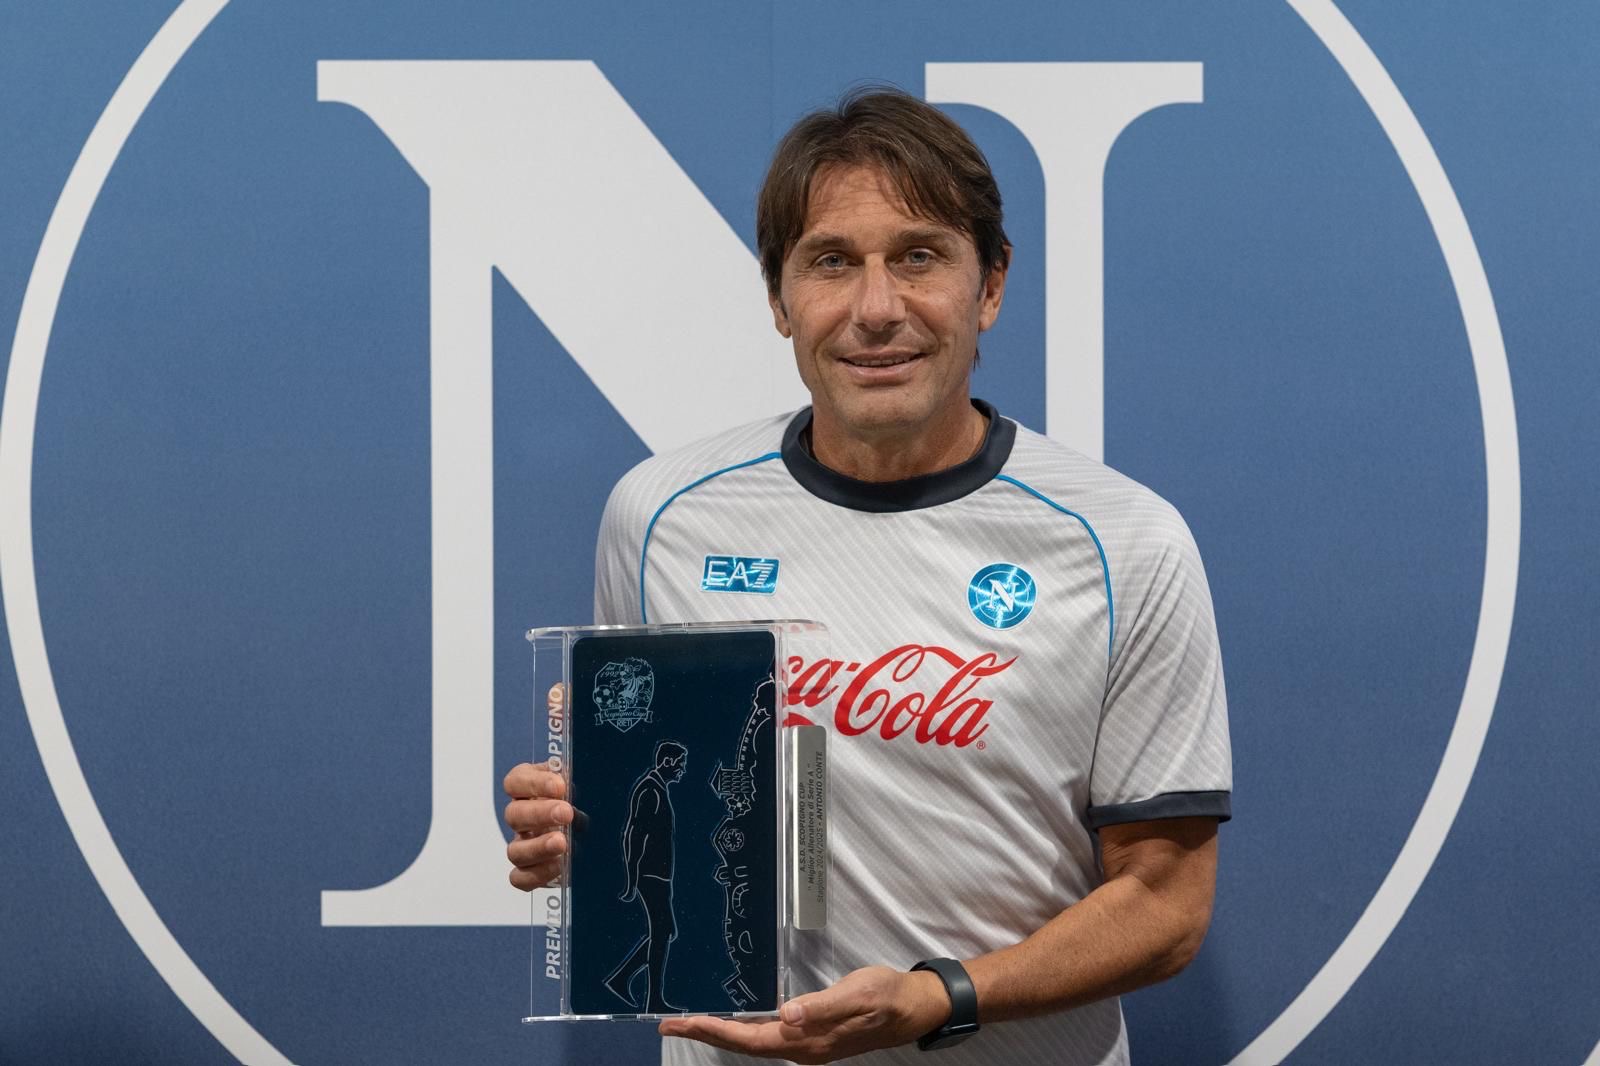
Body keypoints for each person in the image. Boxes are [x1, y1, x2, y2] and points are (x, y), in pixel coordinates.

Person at [504, 87, 1231, 1065]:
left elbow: (1166, 905)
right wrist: (570, 829)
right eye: (832, 262)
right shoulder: (660, 519)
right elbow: (646, 800)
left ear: (991, 284)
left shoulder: (1123, 541)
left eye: (919, 257)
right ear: (779, 298)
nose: (876, 310)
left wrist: (938, 997)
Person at [607, 741, 689, 1013]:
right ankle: (653, 999)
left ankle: (622, 979)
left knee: (666, 932)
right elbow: (633, 833)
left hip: (659, 875)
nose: (682, 769)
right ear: (667, 762)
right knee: (662, 933)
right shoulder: (650, 790)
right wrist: (631, 878)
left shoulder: (658, 789)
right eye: (680, 764)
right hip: (650, 875)